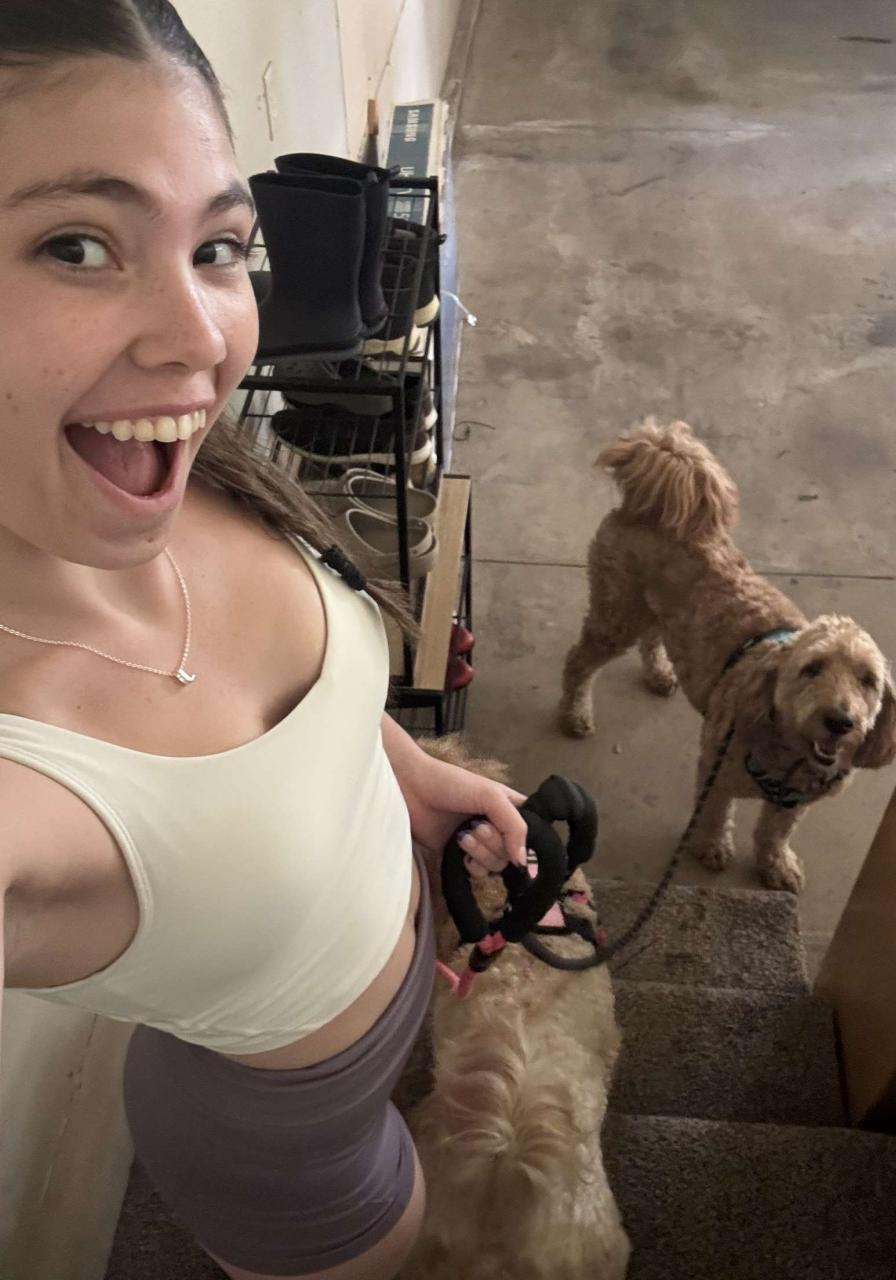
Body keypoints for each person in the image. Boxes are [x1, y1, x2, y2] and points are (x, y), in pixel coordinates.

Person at [0, 4, 528, 1278]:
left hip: (383, 1005)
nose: (203, 339)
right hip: (285, 1149)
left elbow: (287, 701)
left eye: (219, 247)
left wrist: (409, 775)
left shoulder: (168, 470)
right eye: (77, 245)